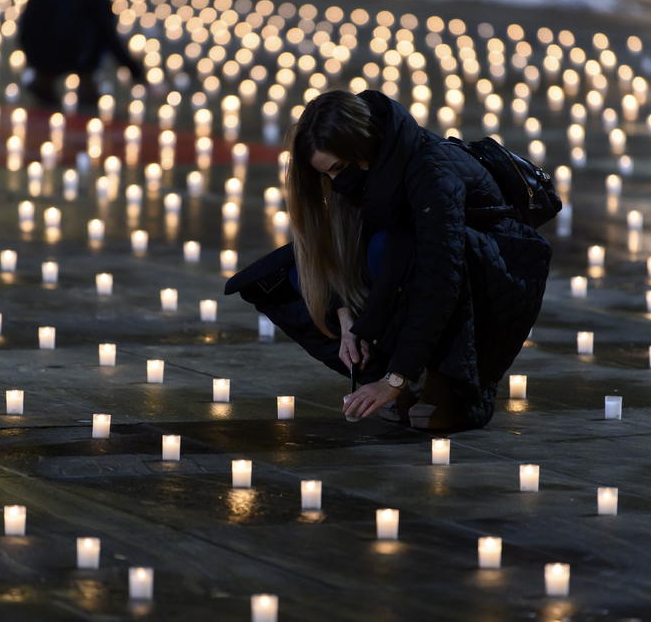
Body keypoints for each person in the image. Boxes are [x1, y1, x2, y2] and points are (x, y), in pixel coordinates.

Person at [226, 89, 552, 431]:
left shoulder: (430, 170)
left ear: (362, 148)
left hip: (493, 273)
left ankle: (443, 381)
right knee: (293, 275)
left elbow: (440, 276)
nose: (336, 183)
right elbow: (342, 252)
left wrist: (395, 378)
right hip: (431, 266)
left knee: (393, 248)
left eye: (338, 168)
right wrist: (346, 318)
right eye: (327, 175)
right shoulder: (369, 174)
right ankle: (408, 376)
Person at [19, 0, 144, 107]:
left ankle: (44, 95)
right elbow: (107, 33)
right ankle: (87, 99)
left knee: (46, 86)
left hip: (36, 51)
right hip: (74, 54)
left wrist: (27, 49)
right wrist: (135, 71)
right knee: (94, 34)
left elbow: (27, 19)